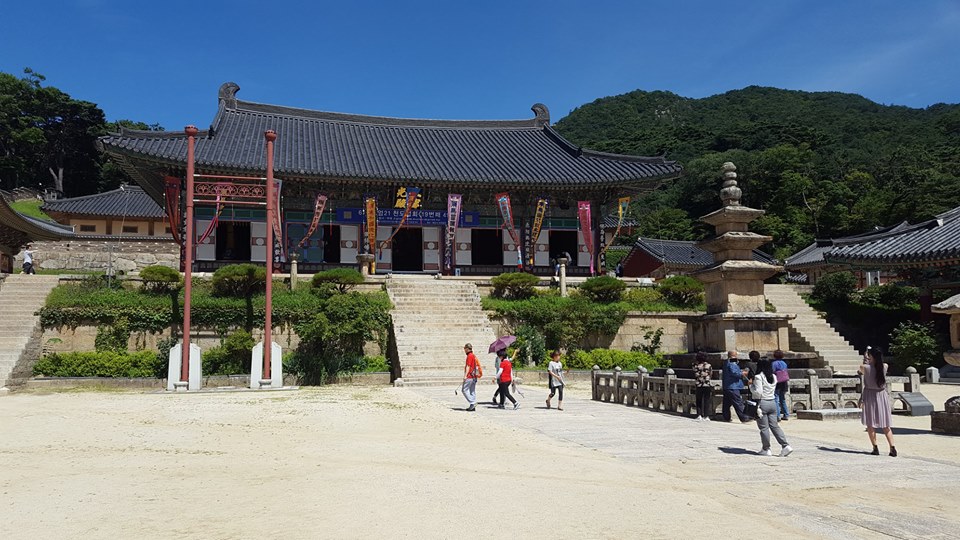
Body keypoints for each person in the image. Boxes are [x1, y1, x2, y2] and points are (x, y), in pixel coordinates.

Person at [749, 356, 793, 457]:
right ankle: (785, 445)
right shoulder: (774, 376)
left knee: (764, 428)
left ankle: (766, 448)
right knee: (774, 426)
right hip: (772, 402)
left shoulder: (759, 377)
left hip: (762, 402)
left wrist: (751, 386)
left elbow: (758, 392)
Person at [859, 347, 896, 456]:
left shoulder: (864, 367)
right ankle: (892, 447)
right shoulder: (884, 366)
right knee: (885, 424)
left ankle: (875, 447)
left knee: (870, 424)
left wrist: (866, 358)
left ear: (871, 356)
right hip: (882, 395)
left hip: (870, 395)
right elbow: (879, 365)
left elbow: (861, 369)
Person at [721, 350, 751, 422]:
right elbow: (735, 373)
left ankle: (726, 417)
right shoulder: (732, 363)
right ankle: (744, 417)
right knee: (738, 402)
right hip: (733, 386)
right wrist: (743, 373)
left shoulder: (726, 362)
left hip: (727, 385)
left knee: (727, 403)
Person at [692, 351, 713, 421]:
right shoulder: (709, 365)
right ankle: (706, 416)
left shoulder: (695, 365)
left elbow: (694, 374)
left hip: (699, 384)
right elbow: (711, 374)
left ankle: (699, 415)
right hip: (707, 384)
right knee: (707, 400)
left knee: (699, 400)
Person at [771, 349, 790, 421]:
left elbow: (772, 371)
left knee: (776, 398)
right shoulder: (784, 363)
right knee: (782, 399)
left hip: (777, 382)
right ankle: (786, 414)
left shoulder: (774, 363)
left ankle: (777, 415)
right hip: (784, 382)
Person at [461, 343, 481, 412]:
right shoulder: (473, 356)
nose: (464, 350)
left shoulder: (469, 356)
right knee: (472, 391)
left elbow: (468, 366)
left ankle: (473, 402)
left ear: (467, 348)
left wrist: (465, 375)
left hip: (469, 376)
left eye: (464, 348)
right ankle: (472, 406)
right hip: (474, 376)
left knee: (464, 390)